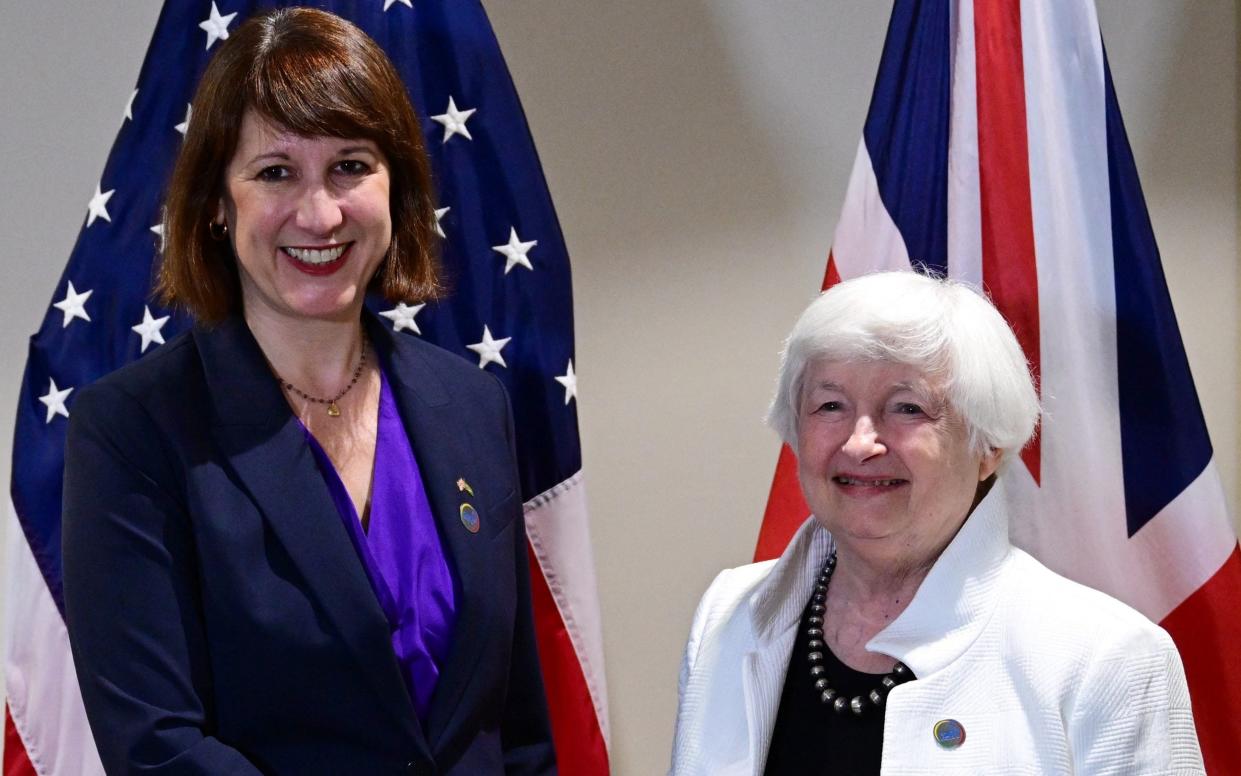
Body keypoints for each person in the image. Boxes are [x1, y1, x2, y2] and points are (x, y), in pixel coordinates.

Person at [61, 9, 555, 775]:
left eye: (351, 165)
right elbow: (157, 748)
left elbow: (516, 729)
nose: (319, 213)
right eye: (275, 172)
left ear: (398, 189)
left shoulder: (472, 404)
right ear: (218, 206)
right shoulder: (132, 431)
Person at [669, 271, 1203, 774]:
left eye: (907, 409)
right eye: (830, 405)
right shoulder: (728, 613)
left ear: (988, 445)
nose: (859, 442)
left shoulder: (1108, 659)